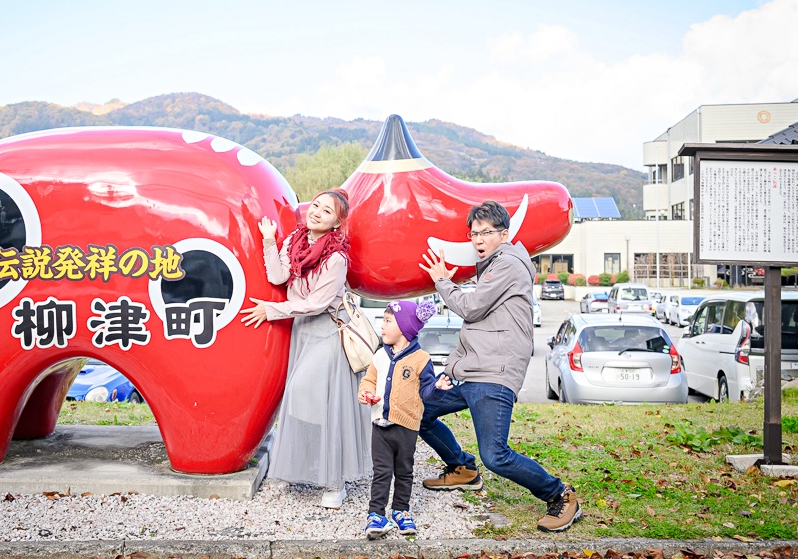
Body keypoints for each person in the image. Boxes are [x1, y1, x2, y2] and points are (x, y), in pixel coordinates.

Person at [417, 200, 582, 533]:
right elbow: (476, 328)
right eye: (473, 233)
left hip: (494, 375)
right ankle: (462, 469)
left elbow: (473, 309)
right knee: (418, 411)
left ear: (504, 234)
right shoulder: (492, 268)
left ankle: (561, 494)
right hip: (470, 372)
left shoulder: (507, 264)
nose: (478, 239)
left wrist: (442, 282)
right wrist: (450, 369)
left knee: (495, 455)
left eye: (486, 233)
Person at [240, 188, 371, 508]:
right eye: (316, 206)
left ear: (337, 223)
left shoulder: (337, 257)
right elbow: (278, 274)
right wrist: (269, 240)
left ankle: (335, 484)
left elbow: (316, 303)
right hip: (302, 333)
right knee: (305, 406)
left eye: (326, 212)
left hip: (328, 331)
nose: (316, 212)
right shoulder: (295, 242)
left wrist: (272, 311)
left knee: (319, 401)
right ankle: (314, 471)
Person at [358, 299, 438, 540]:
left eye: (388, 321)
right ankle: (376, 514)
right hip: (380, 425)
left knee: (404, 471)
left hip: (406, 427)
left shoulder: (421, 359)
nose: (382, 326)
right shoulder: (379, 356)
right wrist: (365, 392)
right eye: (383, 320)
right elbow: (369, 379)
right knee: (381, 471)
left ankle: (401, 511)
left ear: (404, 328)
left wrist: (438, 387)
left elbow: (427, 391)